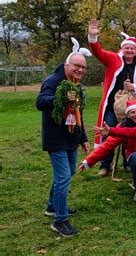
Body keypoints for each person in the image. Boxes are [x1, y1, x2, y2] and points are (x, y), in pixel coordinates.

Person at [36, 39, 91, 237]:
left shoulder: (75, 84)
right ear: (67, 64)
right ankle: (59, 221)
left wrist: (83, 137)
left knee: (66, 174)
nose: (80, 70)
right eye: (77, 66)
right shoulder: (53, 81)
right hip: (56, 138)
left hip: (71, 138)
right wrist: (60, 97)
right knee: (63, 177)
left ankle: (52, 206)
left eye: (83, 67)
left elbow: (78, 113)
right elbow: (40, 102)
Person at [88, 19, 136, 177]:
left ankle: (128, 162)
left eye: (132, 48)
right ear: (122, 49)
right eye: (127, 48)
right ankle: (105, 165)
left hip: (131, 108)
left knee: (129, 135)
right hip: (112, 106)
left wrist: (135, 87)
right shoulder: (113, 59)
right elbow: (98, 52)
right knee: (108, 132)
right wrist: (92, 37)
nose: (129, 50)